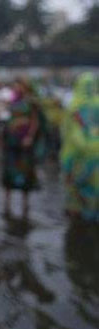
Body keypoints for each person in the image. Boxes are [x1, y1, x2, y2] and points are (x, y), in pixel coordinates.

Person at [60, 72, 98, 222]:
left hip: (76, 156)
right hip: (94, 155)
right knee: (93, 186)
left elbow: (72, 134)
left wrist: (85, 144)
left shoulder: (74, 107)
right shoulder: (95, 104)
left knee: (75, 186)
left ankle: (78, 216)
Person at [2, 78, 41, 216]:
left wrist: (30, 136)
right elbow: (6, 117)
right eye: (15, 85)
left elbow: (35, 122)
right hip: (12, 141)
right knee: (10, 170)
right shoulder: (12, 101)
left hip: (24, 141)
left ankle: (25, 204)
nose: (17, 87)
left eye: (19, 85)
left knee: (25, 170)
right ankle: (7, 203)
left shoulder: (31, 102)